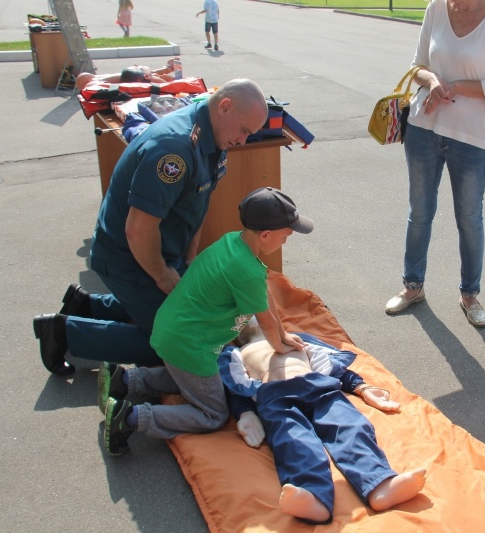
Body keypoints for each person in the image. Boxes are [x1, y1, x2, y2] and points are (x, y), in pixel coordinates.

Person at [32, 79, 268, 375]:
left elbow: (199, 202)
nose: (243, 141)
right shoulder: (175, 148)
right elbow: (138, 230)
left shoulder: (213, 134)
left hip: (159, 249)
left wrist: (189, 261)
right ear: (224, 107)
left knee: (192, 304)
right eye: (244, 130)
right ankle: (63, 333)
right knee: (177, 341)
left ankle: (84, 305)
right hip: (129, 256)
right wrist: (163, 276)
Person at [98, 187, 314, 455]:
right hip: (189, 345)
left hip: (175, 331)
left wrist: (283, 336)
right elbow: (265, 321)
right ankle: (130, 417)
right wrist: (279, 348)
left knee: (193, 380)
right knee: (213, 413)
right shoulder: (245, 270)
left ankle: (126, 380)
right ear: (267, 235)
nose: (285, 242)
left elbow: (264, 295)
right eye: (285, 237)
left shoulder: (233, 243)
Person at [384, 0, 485, 328]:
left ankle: (469, 295)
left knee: (469, 218)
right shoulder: (436, 8)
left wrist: (456, 86)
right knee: (419, 212)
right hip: (422, 128)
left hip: (472, 137)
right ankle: (412, 286)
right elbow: (416, 66)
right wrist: (431, 81)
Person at [219, 323, 427, 523]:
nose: (254, 316)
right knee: (294, 439)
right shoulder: (236, 353)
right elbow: (235, 387)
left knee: (349, 426)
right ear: (236, 333)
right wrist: (245, 413)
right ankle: (313, 495)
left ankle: (378, 482)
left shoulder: (295, 339)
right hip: (275, 396)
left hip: (318, 386)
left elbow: (332, 367)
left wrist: (362, 388)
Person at [74, 57, 182, 92]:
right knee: (170, 82)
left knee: (169, 82)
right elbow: (144, 71)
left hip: (134, 77)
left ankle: (170, 68)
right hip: (135, 76)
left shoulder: (96, 81)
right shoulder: (96, 81)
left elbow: (144, 72)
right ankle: (170, 68)